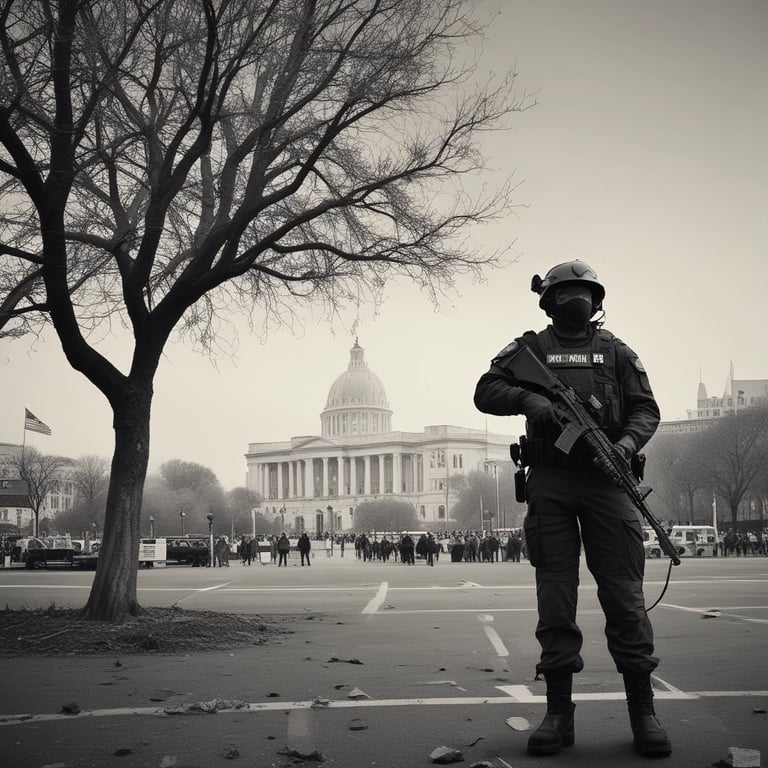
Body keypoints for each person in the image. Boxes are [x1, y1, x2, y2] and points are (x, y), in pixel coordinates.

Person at [473, 260, 671, 758]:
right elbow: (485, 391)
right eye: (568, 292)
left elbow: (647, 408)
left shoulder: (616, 352)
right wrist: (530, 401)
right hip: (552, 483)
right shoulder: (529, 350)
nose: (576, 299)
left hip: (608, 483)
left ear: (596, 300)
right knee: (556, 601)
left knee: (626, 598)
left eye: (584, 292)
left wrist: (625, 444)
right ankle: (558, 714)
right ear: (550, 300)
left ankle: (643, 711)